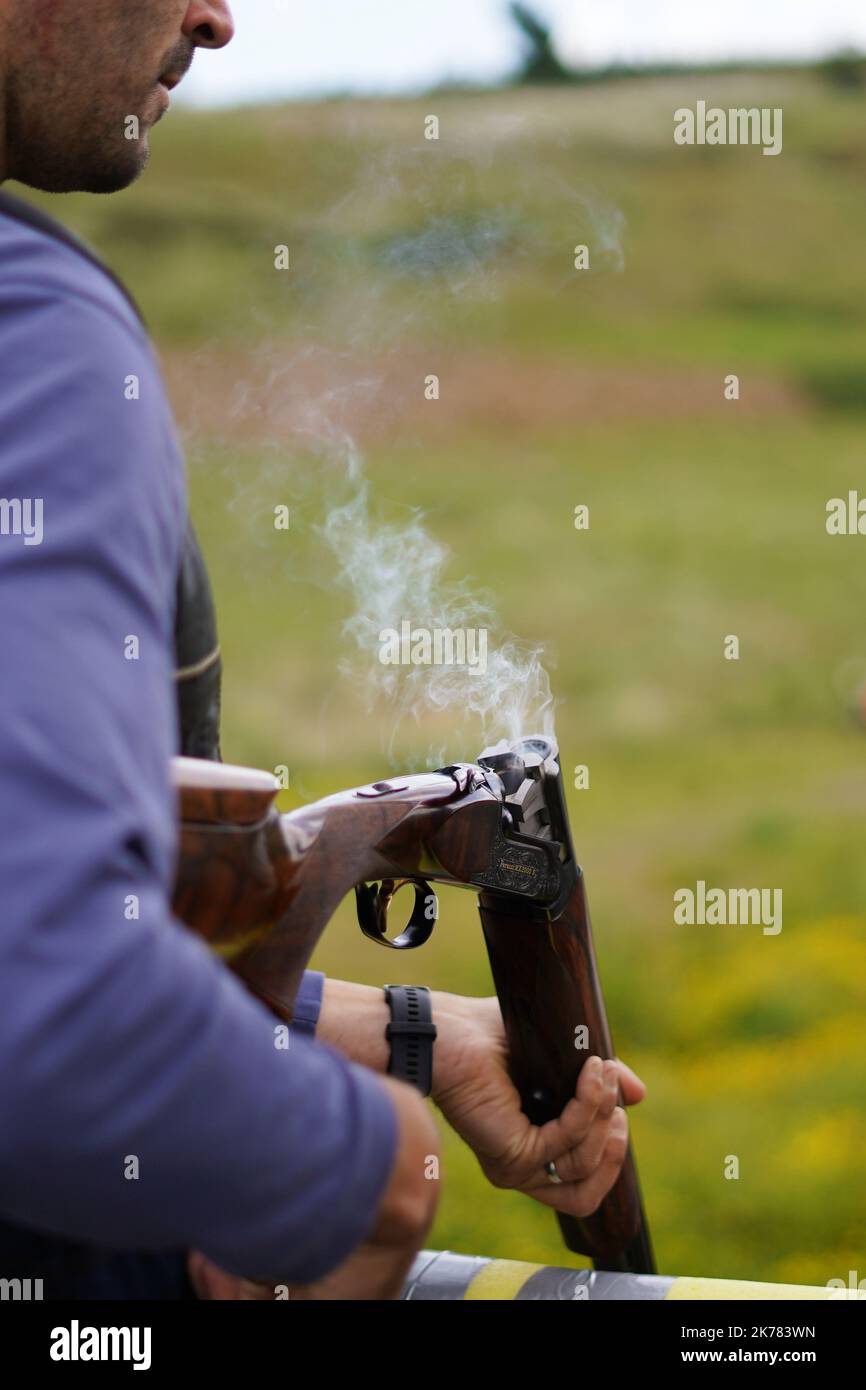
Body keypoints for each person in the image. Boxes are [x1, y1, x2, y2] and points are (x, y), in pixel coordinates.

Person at [0, 0, 645, 1301]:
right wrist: (363, 1162)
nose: (215, 18)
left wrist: (398, 1030)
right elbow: (42, 985)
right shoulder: (37, 329)